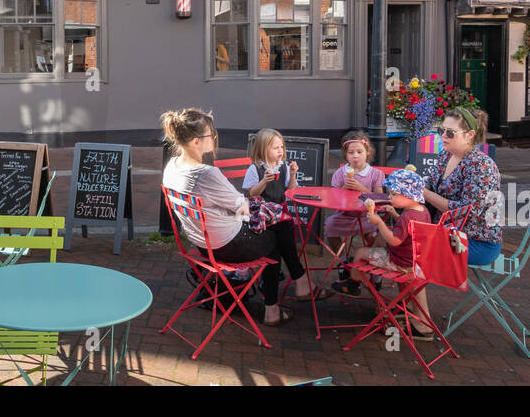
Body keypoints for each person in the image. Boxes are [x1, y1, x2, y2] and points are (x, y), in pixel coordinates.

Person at [161, 108, 314, 326]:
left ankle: (299, 284)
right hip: (225, 245)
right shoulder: (206, 173)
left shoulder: (172, 167)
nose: (214, 138)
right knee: (278, 234)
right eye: (210, 135)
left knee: (277, 226)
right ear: (196, 141)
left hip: (199, 242)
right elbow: (242, 207)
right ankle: (277, 305)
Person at [348, 169, 435, 339]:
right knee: (379, 239)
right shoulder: (422, 211)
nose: (390, 197)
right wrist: (395, 213)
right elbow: (410, 231)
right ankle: (367, 282)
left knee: (360, 252)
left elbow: (395, 240)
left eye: (394, 194)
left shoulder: (407, 217)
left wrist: (379, 221)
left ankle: (353, 284)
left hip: (400, 263)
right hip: (416, 260)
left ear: (409, 195)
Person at [421, 106, 503, 268]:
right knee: (400, 235)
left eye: (450, 132)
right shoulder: (446, 155)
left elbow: (466, 211)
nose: (443, 136)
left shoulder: (481, 166)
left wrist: (423, 193)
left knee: (414, 247)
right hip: (447, 231)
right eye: (441, 130)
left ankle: (410, 291)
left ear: (469, 135)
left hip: (477, 241)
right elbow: (430, 183)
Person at [324, 131, 385, 295]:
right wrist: (344, 189)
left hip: (368, 217)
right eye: (351, 153)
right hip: (346, 216)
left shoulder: (376, 174)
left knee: (377, 235)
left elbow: (379, 198)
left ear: (368, 152)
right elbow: (333, 198)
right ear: (345, 155)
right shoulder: (340, 174)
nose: (355, 156)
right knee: (329, 225)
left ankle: (373, 271)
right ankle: (343, 263)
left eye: (359, 152)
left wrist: (362, 189)